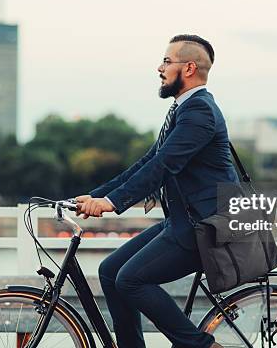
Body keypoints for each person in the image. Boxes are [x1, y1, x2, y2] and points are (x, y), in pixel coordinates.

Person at [76, 34, 238, 348]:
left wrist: (111, 203)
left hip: (208, 226)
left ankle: (203, 346)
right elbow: (147, 163)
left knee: (132, 278)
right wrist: (92, 197)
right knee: (110, 271)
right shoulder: (184, 109)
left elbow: (163, 166)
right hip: (186, 220)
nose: (159, 68)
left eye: (166, 61)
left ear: (188, 68)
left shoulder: (200, 112)